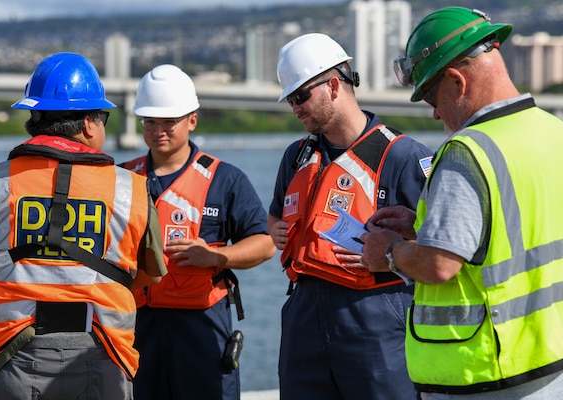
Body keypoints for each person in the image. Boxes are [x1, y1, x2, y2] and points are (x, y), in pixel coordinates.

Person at [360, 7, 563, 399]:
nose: (435, 112)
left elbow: (439, 264)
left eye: (432, 97)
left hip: (488, 371)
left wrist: (389, 252)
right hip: (551, 362)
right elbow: (519, 232)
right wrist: (425, 227)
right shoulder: (552, 130)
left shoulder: (467, 151)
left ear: (456, 81)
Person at [0, 52, 167, 400]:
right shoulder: (131, 189)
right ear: (89, 124)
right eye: (103, 117)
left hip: (9, 359)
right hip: (103, 357)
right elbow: (150, 276)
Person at [267, 32, 434, 400]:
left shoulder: (403, 156)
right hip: (303, 315)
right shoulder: (296, 157)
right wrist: (279, 232)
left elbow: (442, 246)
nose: (295, 108)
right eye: (290, 100)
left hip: (375, 316)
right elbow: (276, 216)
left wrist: (391, 255)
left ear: (332, 85)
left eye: (300, 97)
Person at [118, 64, 276, 400]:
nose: (158, 130)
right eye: (150, 122)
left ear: (192, 120)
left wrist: (217, 256)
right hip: (135, 326)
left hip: (202, 326)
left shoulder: (225, 179)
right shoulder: (120, 179)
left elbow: (264, 244)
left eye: (168, 121)